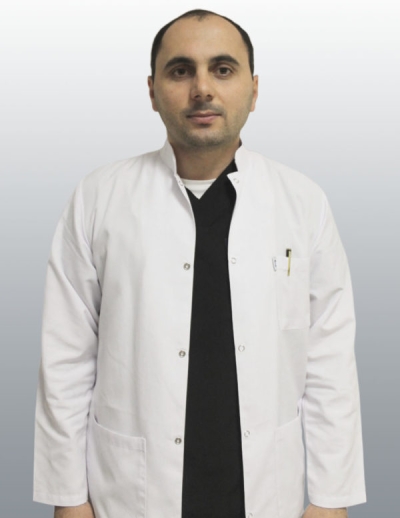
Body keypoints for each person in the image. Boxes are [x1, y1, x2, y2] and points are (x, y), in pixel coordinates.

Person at [33, 9, 367, 518]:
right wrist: (68, 497)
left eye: (223, 69)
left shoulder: (303, 203)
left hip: (267, 491)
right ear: (152, 91)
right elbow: (66, 357)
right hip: (129, 494)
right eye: (181, 70)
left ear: (254, 90)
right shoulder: (99, 198)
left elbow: (329, 359)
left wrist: (331, 499)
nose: (202, 89)